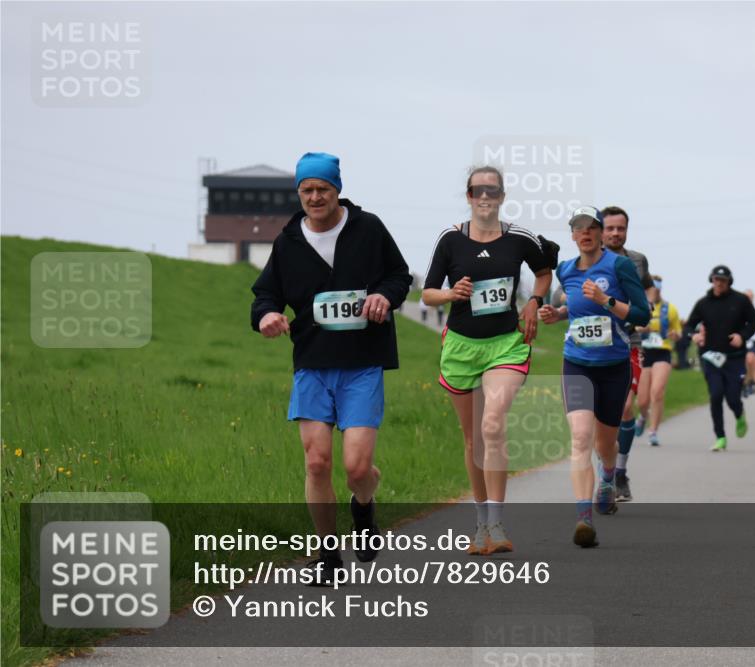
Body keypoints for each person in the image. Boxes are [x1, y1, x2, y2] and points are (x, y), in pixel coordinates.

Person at [251, 152, 411, 583]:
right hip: (313, 364)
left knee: (358, 468)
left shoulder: (368, 228)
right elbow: (265, 295)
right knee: (317, 462)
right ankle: (326, 556)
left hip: (362, 363)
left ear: (337, 190)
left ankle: (364, 508)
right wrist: (265, 316)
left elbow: (399, 276)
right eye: (307, 190)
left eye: (323, 188)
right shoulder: (288, 241)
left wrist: (384, 296)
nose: (315, 197)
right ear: (298, 193)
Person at [421, 165, 554, 556]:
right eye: (477, 190)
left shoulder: (519, 237)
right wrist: (451, 294)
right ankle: (480, 524)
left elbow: (544, 273)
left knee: (492, 424)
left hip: (505, 346)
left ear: (501, 196)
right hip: (461, 347)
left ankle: (496, 523)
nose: (484, 196)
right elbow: (427, 293)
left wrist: (533, 302)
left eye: (492, 191)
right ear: (468, 196)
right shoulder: (450, 239)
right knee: (473, 439)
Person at [539, 206, 650, 547]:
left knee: (605, 445)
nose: (585, 233)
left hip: (613, 365)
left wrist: (607, 300)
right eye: (578, 228)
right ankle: (583, 518)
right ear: (572, 235)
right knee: (580, 438)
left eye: (591, 227)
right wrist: (555, 314)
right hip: (577, 363)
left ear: (601, 233)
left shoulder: (619, 266)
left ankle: (608, 475)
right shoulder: (566, 270)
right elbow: (574, 308)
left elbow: (643, 313)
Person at [599, 206, 655, 501]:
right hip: (591, 345)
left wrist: (647, 306)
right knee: (596, 416)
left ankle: (618, 473)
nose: (615, 233)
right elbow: (562, 294)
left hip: (628, 342)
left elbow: (648, 290)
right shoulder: (587, 260)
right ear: (600, 230)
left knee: (624, 409)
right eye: (609, 228)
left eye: (620, 228)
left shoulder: (637, 260)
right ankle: (605, 469)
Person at [681, 265, 755, 452]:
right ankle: (720, 437)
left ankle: (739, 415)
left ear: (729, 282)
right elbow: (688, 326)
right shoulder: (703, 303)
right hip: (710, 357)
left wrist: (742, 336)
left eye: (723, 280)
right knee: (716, 395)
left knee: (732, 397)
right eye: (716, 279)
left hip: (734, 358)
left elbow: (754, 322)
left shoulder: (740, 300)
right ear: (711, 280)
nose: (719, 283)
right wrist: (694, 336)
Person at [634, 276, 682, 451]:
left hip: (663, 352)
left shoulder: (670, 309)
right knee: (642, 400)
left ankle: (653, 431)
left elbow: (678, 332)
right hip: (644, 352)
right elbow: (630, 326)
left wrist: (675, 335)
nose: (653, 293)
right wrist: (641, 328)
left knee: (658, 392)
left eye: (656, 290)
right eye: (650, 290)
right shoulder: (640, 306)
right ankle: (642, 416)